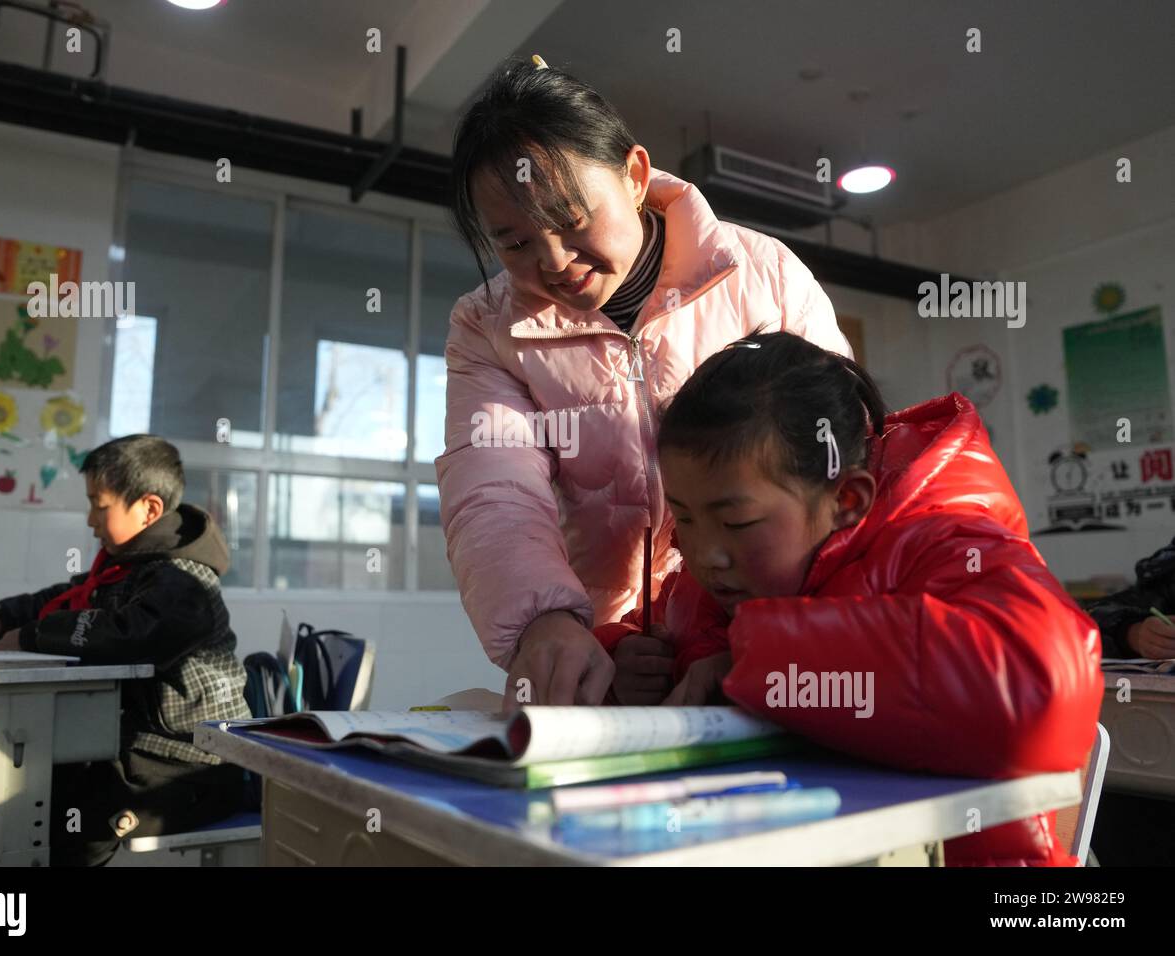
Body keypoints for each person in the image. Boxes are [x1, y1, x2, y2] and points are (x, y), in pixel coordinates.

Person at [596, 332, 1102, 865]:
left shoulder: (942, 540)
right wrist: (623, 665)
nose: (704, 554)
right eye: (687, 517)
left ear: (846, 500)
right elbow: (653, 640)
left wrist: (754, 662)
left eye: (736, 522)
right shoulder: (710, 584)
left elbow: (1042, 686)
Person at [436, 56, 848, 707]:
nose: (554, 261)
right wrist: (552, 626)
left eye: (572, 220)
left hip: (766, 638)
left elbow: (838, 460)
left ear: (633, 175)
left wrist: (746, 639)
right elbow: (494, 486)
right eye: (514, 244)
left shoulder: (761, 276)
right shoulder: (487, 328)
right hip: (597, 657)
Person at [0, 434, 251, 865]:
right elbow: (68, 598)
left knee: (66, 812)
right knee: (20, 789)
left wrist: (30, 636)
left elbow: (129, 635)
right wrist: (3, 617)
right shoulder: (125, 568)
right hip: (139, 752)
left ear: (149, 508)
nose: (91, 519)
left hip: (195, 765)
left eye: (101, 504)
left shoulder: (184, 580)